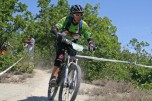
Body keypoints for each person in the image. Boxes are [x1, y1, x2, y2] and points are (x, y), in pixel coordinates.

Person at [50, 4, 95, 86]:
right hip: (62, 41)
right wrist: (57, 34)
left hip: (73, 43)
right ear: (72, 14)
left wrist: (91, 44)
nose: (79, 16)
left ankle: (69, 78)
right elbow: (54, 28)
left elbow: (89, 37)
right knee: (60, 57)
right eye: (77, 14)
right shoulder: (66, 20)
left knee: (73, 59)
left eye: (81, 14)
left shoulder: (83, 25)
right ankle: (54, 77)